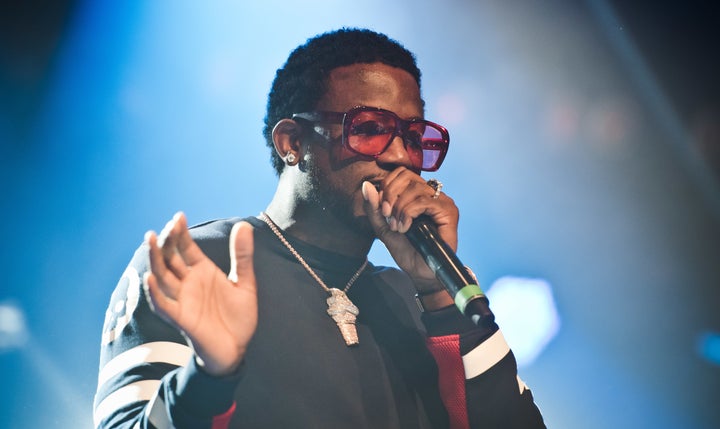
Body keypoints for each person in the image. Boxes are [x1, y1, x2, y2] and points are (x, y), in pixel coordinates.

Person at [93, 28, 546, 428]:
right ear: (292, 143)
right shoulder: (200, 264)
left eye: (412, 136)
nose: (400, 157)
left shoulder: (421, 302)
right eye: (369, 127)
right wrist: (209, 375)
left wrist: (439, 294)